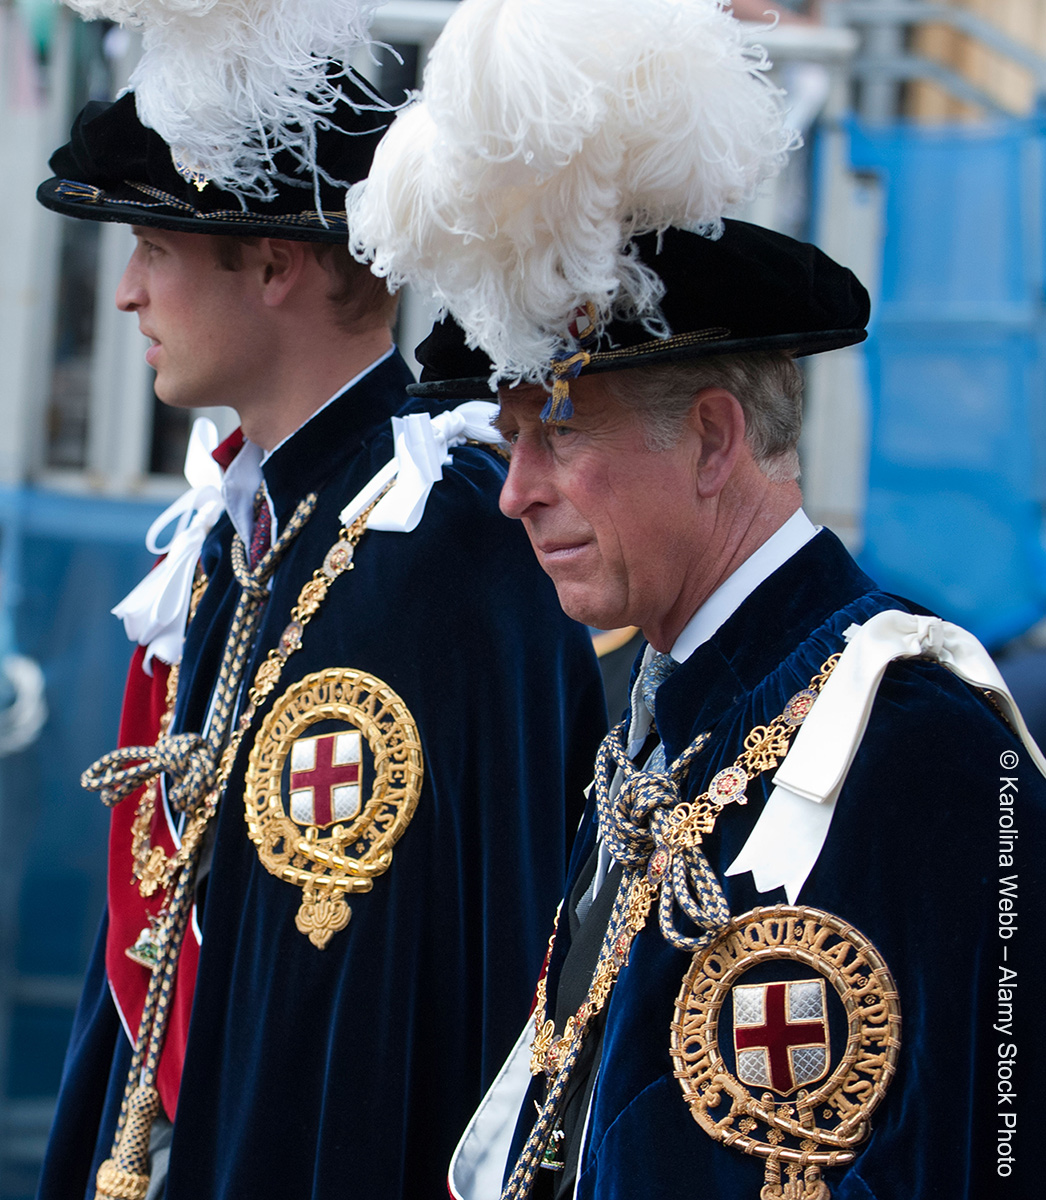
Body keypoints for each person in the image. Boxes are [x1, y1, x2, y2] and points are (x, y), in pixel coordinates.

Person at [343, 0, 1046, 1194]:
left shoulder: (916, 738)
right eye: (509, 439)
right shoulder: (660, 718)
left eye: (555, 434)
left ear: (713, 440)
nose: (513, 492)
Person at [33, 68, 606, 1200]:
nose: (127, 294)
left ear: (275, 264)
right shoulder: (235, 537)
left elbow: (468, 979)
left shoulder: (449, 543)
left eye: (154, 250)